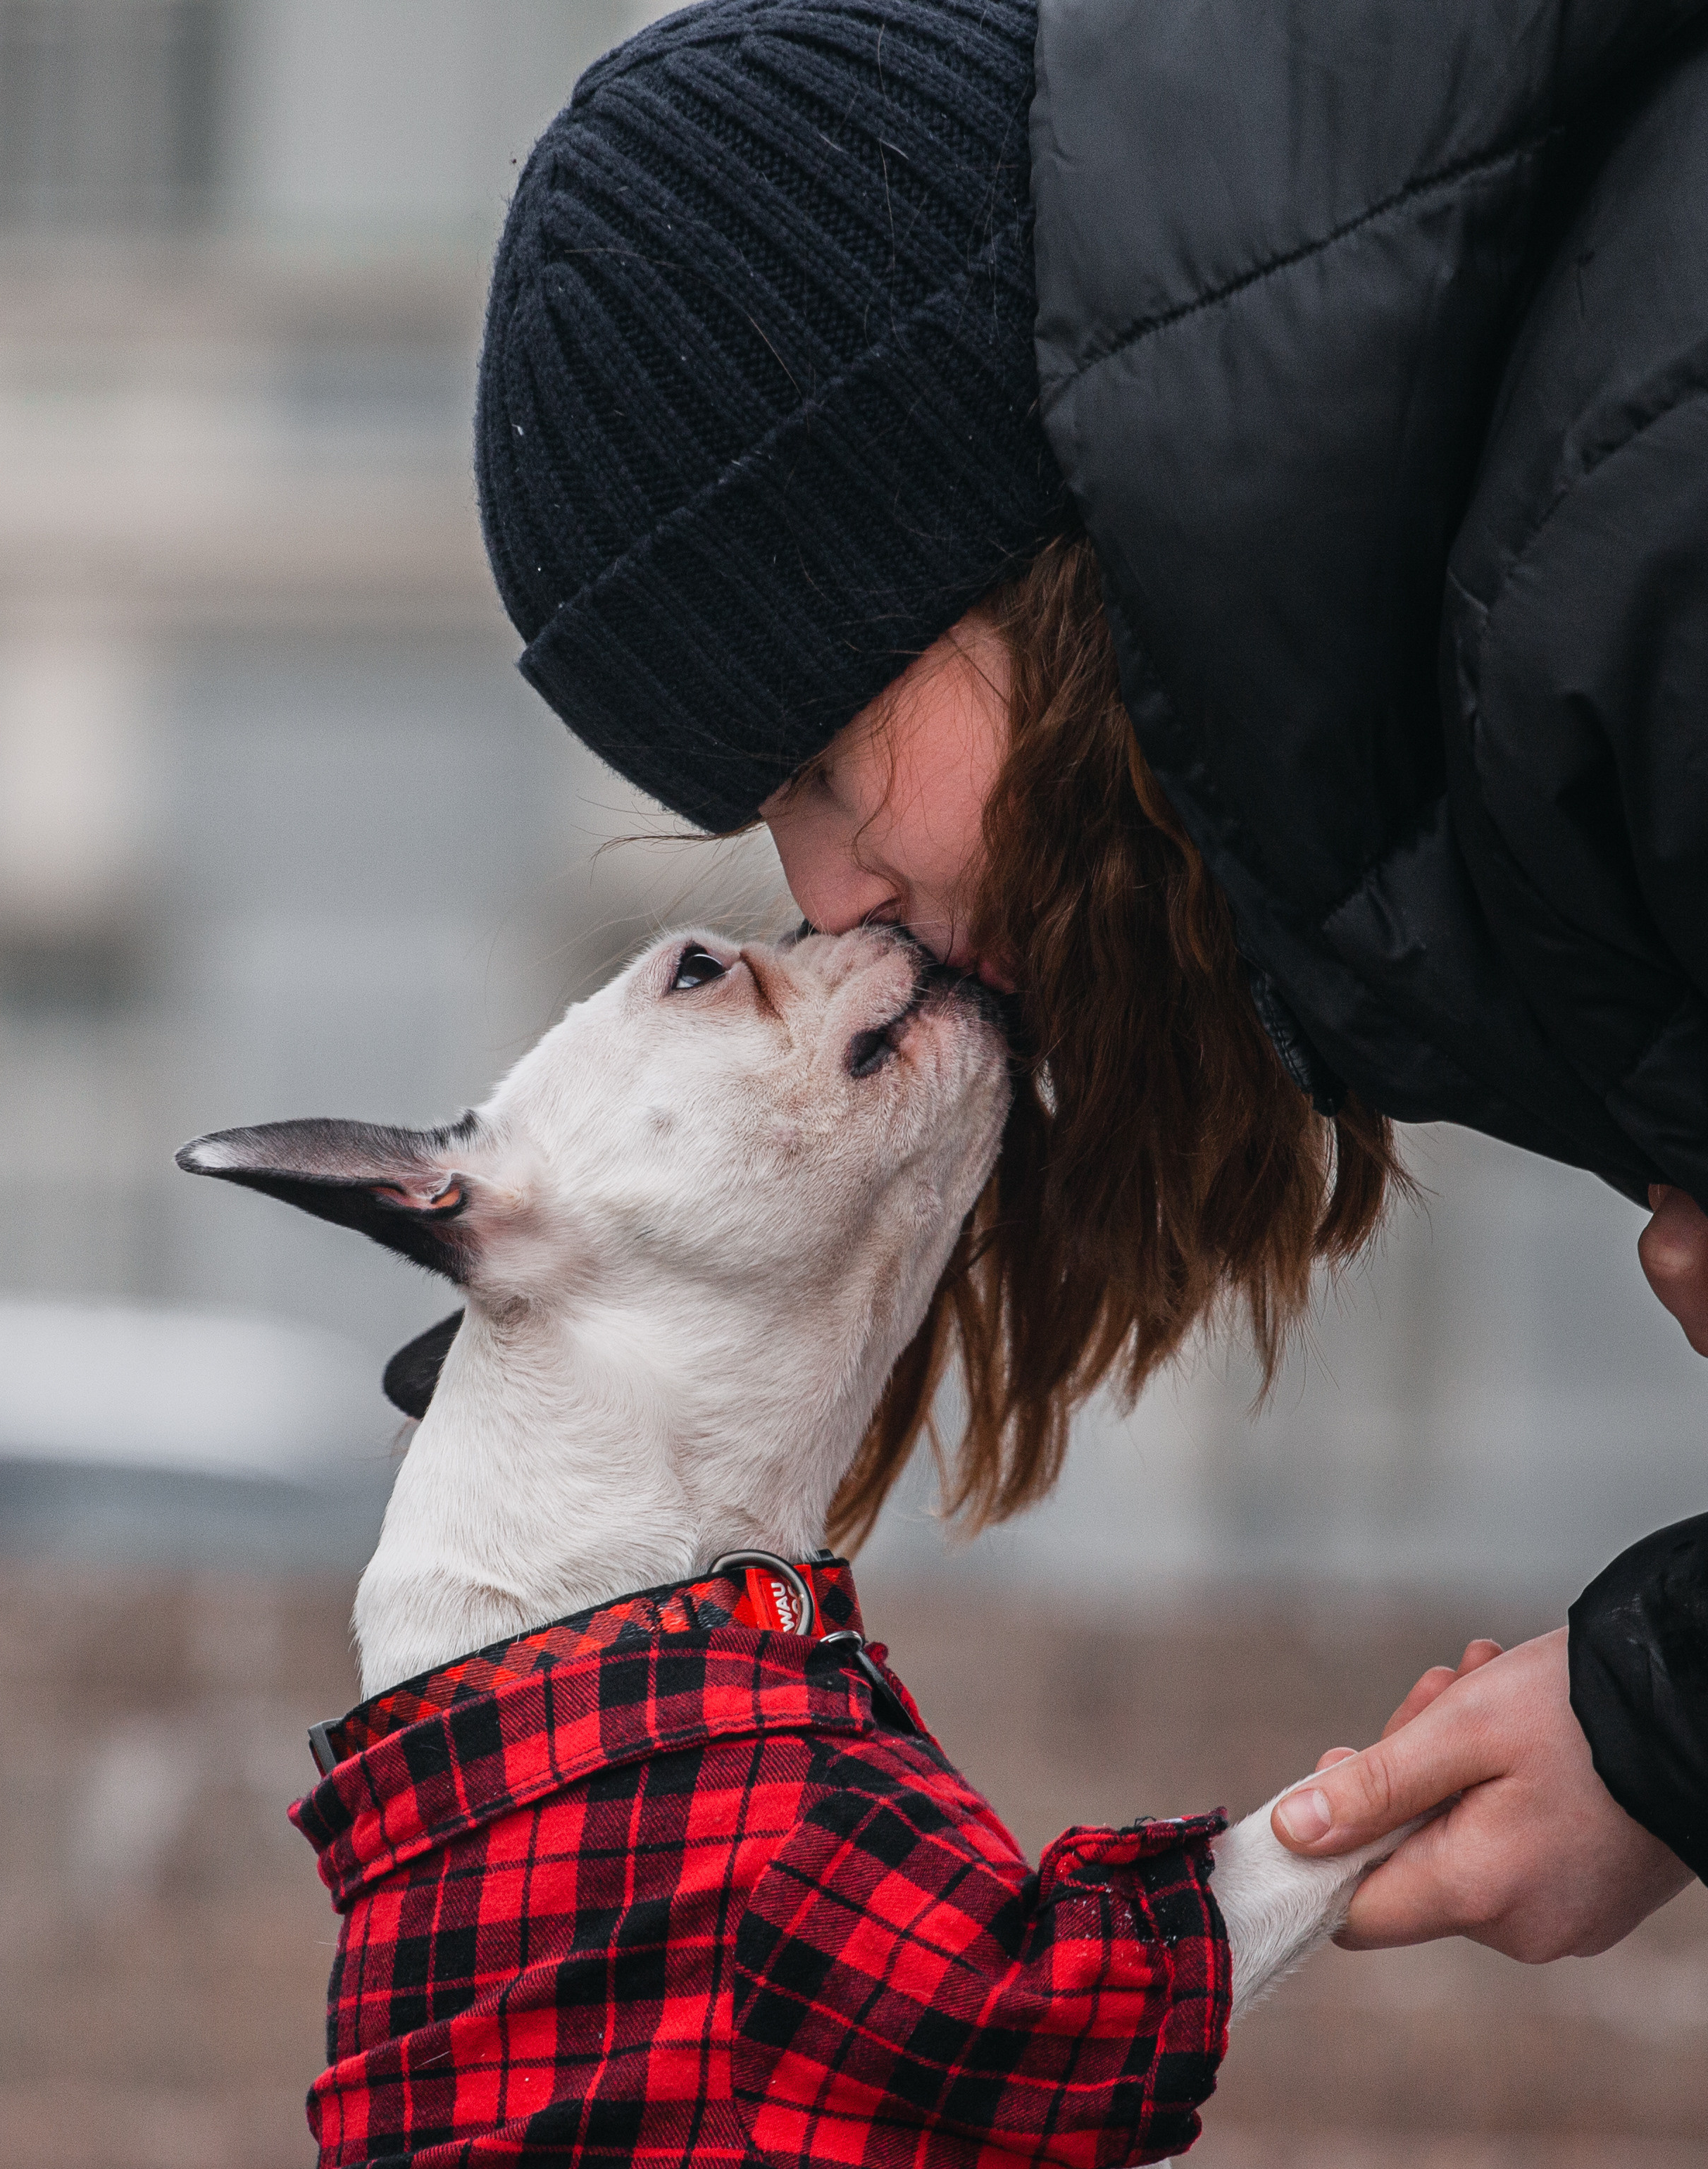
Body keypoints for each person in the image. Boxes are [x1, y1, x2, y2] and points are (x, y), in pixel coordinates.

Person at [473, 0, 1708, 1959]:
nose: (835, 895)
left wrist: (1670, 1714)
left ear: (997, 538)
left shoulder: (1637, 549)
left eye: (819, 756)